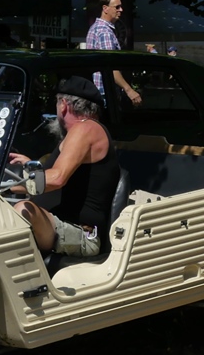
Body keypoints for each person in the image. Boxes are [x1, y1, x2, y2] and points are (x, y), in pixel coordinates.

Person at [8, 76, 120, 258]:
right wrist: (11, 181)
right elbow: (48, 179)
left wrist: (5, 185)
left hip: (80, 234)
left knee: (24, 210)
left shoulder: (86, 129)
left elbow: (57, 178)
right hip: (55, 225)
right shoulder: (82, 133)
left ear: (64, 105)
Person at [85, 0, 142, 106]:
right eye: (117, 7)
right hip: (106, 93)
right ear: (105, 8)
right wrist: (129, 90)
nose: (121, 10)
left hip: (98, 92)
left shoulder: (95, 28)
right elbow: (110, 66)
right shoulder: (104, 32)